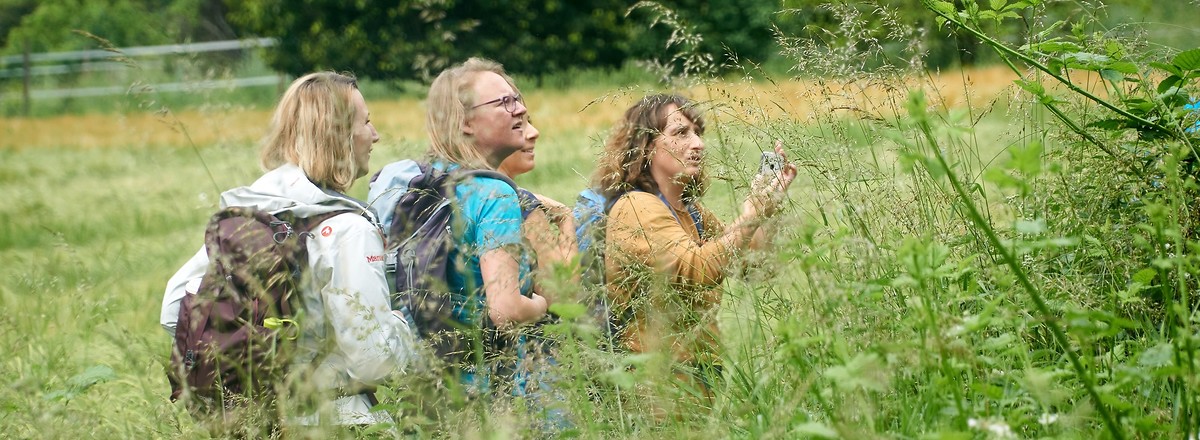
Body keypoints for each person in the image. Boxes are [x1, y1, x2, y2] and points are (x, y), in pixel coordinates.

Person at [160, 72, 417, 428]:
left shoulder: (251, 214)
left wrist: (253, 365)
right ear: (338, 135)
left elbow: (174, 307)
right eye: (367, 122)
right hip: (338, 420)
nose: (375, 135)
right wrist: (405, 328)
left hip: (258, 425)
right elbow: (374, 360)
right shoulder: (349, 229)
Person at [593, 94, 797, 407]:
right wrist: (751, 214)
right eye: (681, 133)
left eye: (698, 133)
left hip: (696, 374)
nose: (698, 144)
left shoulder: (692, 211)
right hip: (655, 382)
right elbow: (699, 269)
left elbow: (755, 267)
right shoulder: (636, 208)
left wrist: (769, 209)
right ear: (646, 147)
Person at [374, 57, 548, 390]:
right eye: (505, 102)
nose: (521, 111)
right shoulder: (494, 194)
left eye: (518, 99)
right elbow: (506, 309)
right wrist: (541, 304)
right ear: (466, 123)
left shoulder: (420, 182)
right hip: (485, 390)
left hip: (424, 384)